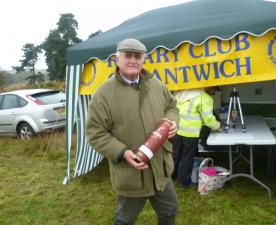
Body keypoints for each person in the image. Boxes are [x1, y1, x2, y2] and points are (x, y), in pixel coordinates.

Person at [86, 38, 179, 225]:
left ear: (143, 59)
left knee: (169, 212)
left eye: (138, 56)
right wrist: (123, 152)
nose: (133, 60)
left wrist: (172, 122)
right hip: (131, 173)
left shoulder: (155, 84)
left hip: (160, 169)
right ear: (117, 59)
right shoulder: (103, 94)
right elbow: (96, 132)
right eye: (127, 55)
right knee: (124, 221)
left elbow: (172, 106)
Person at [171, 87, 222, 187]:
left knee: (175, 155)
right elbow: (208, 119)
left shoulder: (181, 91)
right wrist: (218, 126)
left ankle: (171, 177)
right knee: (187, 158)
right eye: (215, 89)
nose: (214, 92)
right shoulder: (204, 97)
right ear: (210, 86)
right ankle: (184, 182)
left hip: (177, 129)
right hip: (190, 132)